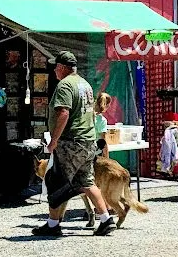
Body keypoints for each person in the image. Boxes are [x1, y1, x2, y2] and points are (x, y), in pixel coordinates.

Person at [32, 51, 116, 238]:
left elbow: (64, 113)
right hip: (87, 141)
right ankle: (106, 219)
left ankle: (53, 224)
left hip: (71, 142)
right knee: (86, 181)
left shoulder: (65, 85)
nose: (55, 70)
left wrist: (53, 141)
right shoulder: (84, 84)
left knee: (54, 182)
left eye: (56, 66)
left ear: (62, 67)